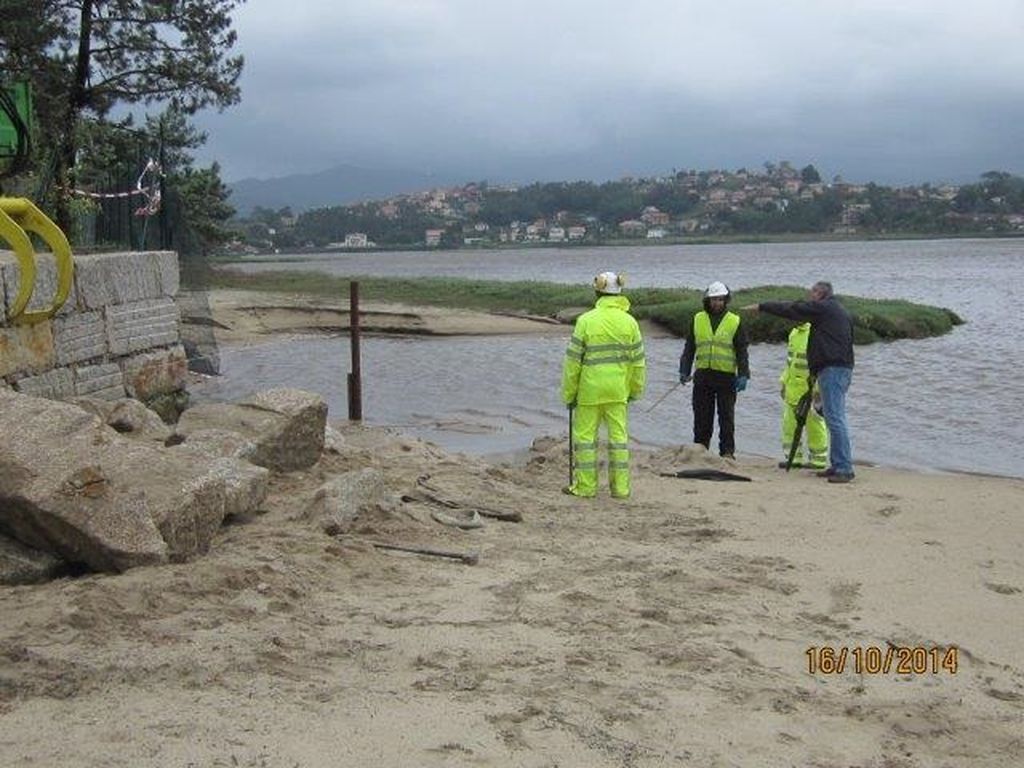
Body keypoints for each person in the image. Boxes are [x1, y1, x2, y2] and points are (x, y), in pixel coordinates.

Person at [741, 281, 855, 483]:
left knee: (835, 419)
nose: (810, 298)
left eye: (812, 293)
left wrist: (762, 306)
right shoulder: (838, 311)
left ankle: (844, 468)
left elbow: (793, 308)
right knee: (832, 417)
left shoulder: (825, 308)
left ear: (820, 293)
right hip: (836, 369)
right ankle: (838, 464)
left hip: (834, 370)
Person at [561, 271, 646, 498]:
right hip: (618, 390)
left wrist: (569, 394)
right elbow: (638, 363)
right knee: (618, 440)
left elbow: (573, 363)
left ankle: (586, 488)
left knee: (585, 440)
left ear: (597, 291)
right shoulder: (630, 322)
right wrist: (635, 391)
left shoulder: (586, 321)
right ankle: (620, 489)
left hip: (589, 391)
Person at [678, 281, 750, 459]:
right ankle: (700, 450)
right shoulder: (698, 319)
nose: (717, 303)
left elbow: (742, 350)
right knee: (702, 417)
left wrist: (743, 374)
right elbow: (689, 347)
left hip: (726, 377)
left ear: (726, 300)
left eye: (720, 299)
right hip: (703, 376)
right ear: (707, 300)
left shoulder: (734, 321)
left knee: (726, 417)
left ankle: (727, 452)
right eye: (714, 299)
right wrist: (684, 369)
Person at [778, 322, 828, 470]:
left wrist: (818, 390)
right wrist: (783, 382)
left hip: (810, 391)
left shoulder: (816, 334)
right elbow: (790, 363)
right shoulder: (793, 333)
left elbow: (821, 365)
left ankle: (818, 461)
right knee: (789, 426)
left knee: (815, 427)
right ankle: (793, 459)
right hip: (792, 390)